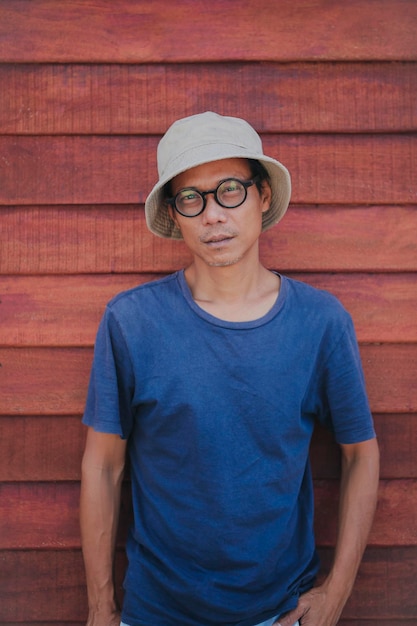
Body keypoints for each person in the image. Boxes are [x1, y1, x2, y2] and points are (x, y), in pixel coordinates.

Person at [80, 111, 379, 626]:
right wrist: (102, 609)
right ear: (175, 215)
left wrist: (336, 593)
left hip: (279, 611)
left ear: (262, 196)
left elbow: (361, 456)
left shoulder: (320, 322)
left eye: (230, 191)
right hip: (156, 611)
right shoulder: (131, 321)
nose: (213, 215)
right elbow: (102, 467)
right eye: (191, 198)